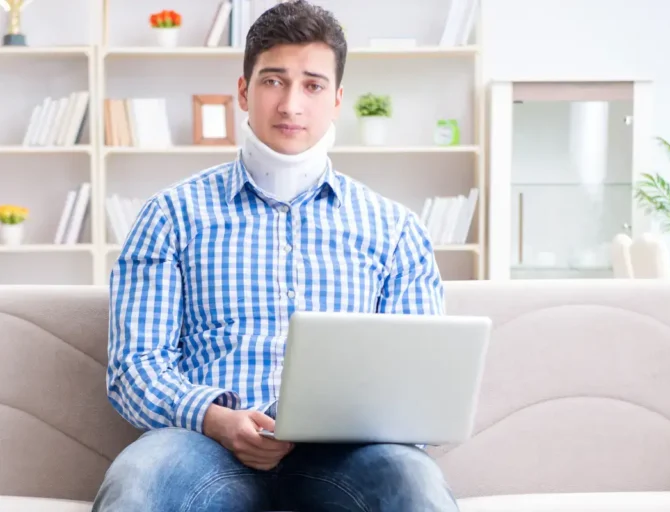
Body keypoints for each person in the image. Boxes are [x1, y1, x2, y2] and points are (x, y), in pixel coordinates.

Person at [93, 1, 457, 510]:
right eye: (273, 81)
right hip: (203, 445)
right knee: (139, 478)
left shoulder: (395, 230)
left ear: (336, 100)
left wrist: (345, 423)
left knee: (413, 481)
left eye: (312, 85)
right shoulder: (171, 215)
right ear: (243, 92)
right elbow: (135, 368)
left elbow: (417, 388)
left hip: (345, 458)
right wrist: (214, 417)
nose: (291, 104)